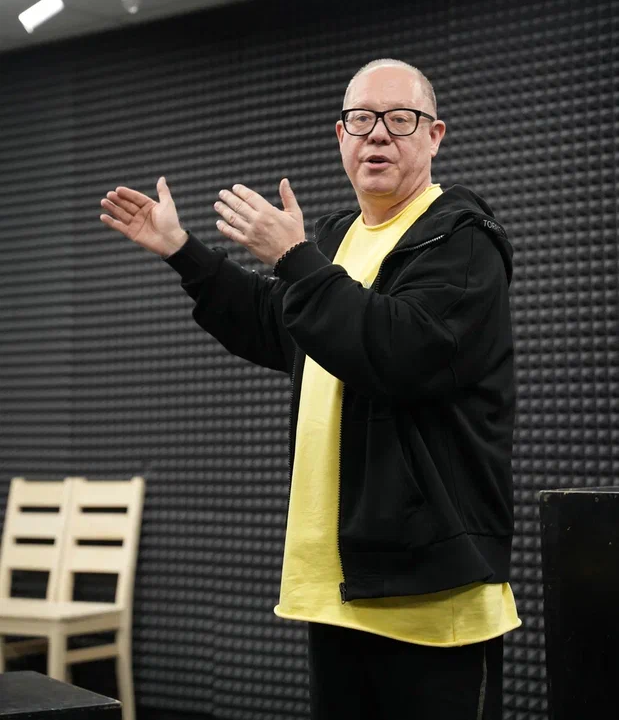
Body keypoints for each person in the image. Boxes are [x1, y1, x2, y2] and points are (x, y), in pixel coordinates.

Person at [100, 59, 520, 720]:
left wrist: (295, 260)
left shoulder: (460, 238)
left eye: (400, 119)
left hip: (430, 598)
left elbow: (399, 352)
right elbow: (275, 324)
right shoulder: (334, 241)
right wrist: (183, 250)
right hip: (337, 590)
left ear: (434, 135)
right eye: (361, 119)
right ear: (340, 135)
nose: (377, 134)